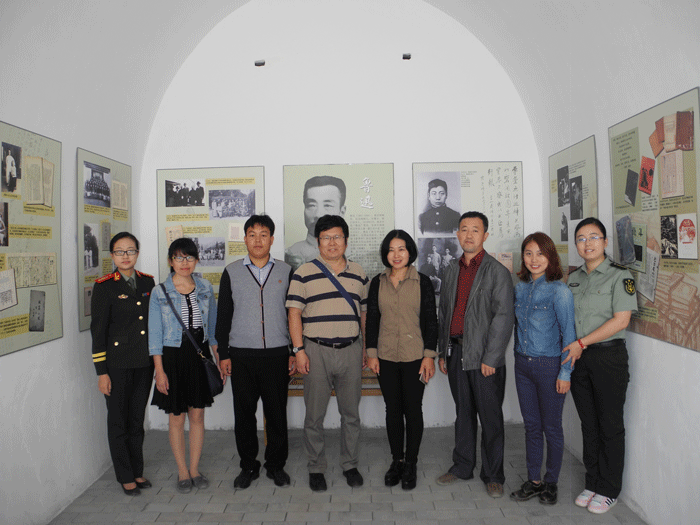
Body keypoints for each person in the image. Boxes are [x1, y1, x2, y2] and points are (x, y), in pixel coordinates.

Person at [286, 214, 369, 492]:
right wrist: (299, 351)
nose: (332, 243)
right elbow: (294, 314)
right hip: (315, 351)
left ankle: (350, 464)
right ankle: (316, 467)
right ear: (317, 241)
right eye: (325, 238)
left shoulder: (359, 273)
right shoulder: (303, 272)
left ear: (346, 240)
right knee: (314, 416)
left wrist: (365, 349)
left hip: (351, 351)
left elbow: (364, 314)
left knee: (351, 414)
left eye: (337, 237)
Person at [436, 211, 514, 498]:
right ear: (457, 234)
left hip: (484, 358)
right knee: (464, 414)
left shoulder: (497, 272)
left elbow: (503, 318)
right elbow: (445, 313)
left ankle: (493, 475)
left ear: (485, 235)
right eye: (464, 229)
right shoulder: (451, 270)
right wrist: (442, 352)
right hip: (456, 352)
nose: (469, 235)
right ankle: (462, 466)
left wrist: (491, 358)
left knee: (490, 418)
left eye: (475, 230)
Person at [562, 217, 636, 515]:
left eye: (594, 237)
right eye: (581, 238)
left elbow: (621, 320)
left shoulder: (620, 276)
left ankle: (608, 489)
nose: (587, 243)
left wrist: (581, 343)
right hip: (579, 359)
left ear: (605, 242)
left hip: (608, 358)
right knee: (588, 424)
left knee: (610, 426)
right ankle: (592, 482)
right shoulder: (574, 278)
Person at [215, 214, 295, 489]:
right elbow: (223, 316)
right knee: (244, 415)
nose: (258, 240)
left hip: (277, 354)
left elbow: (295, 315)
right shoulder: (232, 272)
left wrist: (294, 350)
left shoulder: (286, 271)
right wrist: (223, 354)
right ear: (245, 239)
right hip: (241, 356)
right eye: (252, 234)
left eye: (263, 235)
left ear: (272, 239)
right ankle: (248, 465)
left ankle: (276, 465)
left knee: (277, 414)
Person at [365, 230, 437, 490]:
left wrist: (429, 356)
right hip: (385, 356)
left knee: (413, 409)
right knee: (392, 409)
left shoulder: (422, 282)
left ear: (410, 252)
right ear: (386, 254)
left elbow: (431, 321)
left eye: (401, 249)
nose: (396, 255)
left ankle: (411, 463)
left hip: (414, 356)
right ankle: (397, 460)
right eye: (391, 250)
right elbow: (372, 319)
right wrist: (371, 353)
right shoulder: (378, 282)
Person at [509, 232, 576, 506]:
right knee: (532, 427)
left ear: (550, 257)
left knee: (552, 427)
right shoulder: (519, 289)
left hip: (550, 366)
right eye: (528, 253)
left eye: (540, 253)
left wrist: (565, 373)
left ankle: (551, 483)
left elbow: (569, 336)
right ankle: (533, 481)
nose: (534, 259)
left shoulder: (560, 291)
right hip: (522, 366)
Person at [149, 237, 219, 494]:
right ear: (171, 261)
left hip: (199, 355)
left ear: (196, 260)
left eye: (189, 257)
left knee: (197, 415)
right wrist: (159, 371)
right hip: (173, 357)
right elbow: (155, 335)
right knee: (177, 417)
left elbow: (213, 330)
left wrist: (218, 359)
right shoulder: (160, 292)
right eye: (179, 257)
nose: (184, 262)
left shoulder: (205, 287)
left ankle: (195, 469)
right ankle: (182, 471)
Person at [90, 232, 156, 496]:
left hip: (144, 363)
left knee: (136, 419)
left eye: (130, 251)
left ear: (137, 253)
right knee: (118, 421)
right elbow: (98, 333)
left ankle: (137, 470)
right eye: (120, 251)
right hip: (116, 365)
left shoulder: (148, 282)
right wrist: (101, 372)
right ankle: (125, 475)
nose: (125, 256)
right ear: (112, 256)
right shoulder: (104, 286)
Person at [285, 176, 347, 270]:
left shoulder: (353, 255)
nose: (318, 214)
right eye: (311, 205)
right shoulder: (290, 255)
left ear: (342, 212)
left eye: (327, 205)